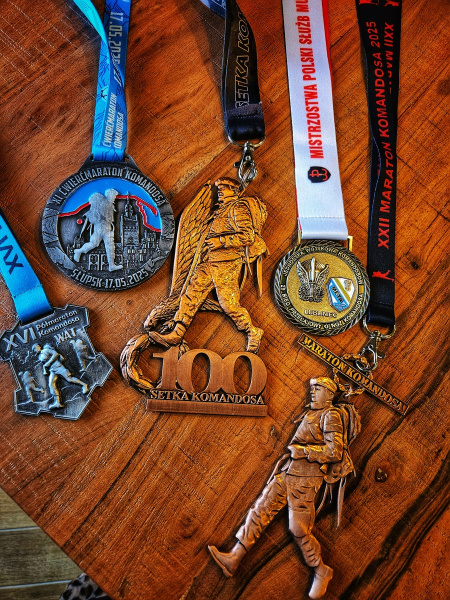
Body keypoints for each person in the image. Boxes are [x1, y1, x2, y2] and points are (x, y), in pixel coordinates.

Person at [208, 377, 360, 600]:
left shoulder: (330, 415)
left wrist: (304, 451)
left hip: (306, 479)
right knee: (260, 511)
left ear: (329, 394)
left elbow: (334, 452)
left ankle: (320, 570)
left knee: (298, 528)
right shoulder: (311, 413)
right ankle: (235, 557)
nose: (312, 391)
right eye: (312, 388)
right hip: (288, 472)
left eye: (318, 388)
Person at [154, 178, 267, 352]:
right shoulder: (221, 209)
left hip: (227, 263)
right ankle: (177, 332)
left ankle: (252, 331)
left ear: (234, 190)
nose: (219, 191)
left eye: (224, 188)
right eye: (219, 188)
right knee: (191, 294)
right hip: (210, 261)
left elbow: (247, 237)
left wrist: (220, 241)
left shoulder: (238, 208)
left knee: (228, 304)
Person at [73, 188, 122, 271]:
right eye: (113, 196)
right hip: (101, 228)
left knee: (108, 246)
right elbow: (100, 217)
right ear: (109, 195)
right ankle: (79, 251)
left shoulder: (110, 205)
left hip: (107, 228)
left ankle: (111, 265)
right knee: (96, 244)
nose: (114, 198)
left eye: (115, 196)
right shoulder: (104, 204)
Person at [32, 343, 89, 410]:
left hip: (59, 367)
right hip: (52, 370)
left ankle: (84, 385)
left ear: (38, 347)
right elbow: (45, 364)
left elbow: (56, 354)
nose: (34, 351)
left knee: (69, 379)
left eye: (34, 349)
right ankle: (58, 403)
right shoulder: (40, 356)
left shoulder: (46, 350)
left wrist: (48, 363)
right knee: (51, 385)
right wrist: (45, 368)